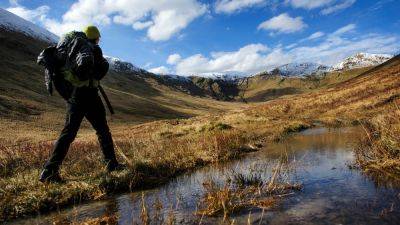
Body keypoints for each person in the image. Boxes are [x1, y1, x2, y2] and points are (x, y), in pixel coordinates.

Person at [39, 26, 124, 183]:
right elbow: (100, 71)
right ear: (95, 37)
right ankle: (111, 165)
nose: (99, 40)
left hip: (74, 96)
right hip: (90, 95)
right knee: (102, 130)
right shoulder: (93, 49)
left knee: (68, 133)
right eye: (98, 38)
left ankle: (49, 171)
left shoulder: (68, 50)